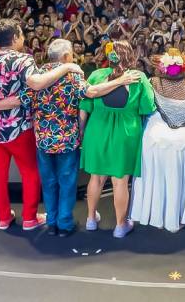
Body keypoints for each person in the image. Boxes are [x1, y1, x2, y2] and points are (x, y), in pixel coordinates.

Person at [0, 38, 140, 237]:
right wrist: (120, 81)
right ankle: (64, 223)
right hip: (67, 140)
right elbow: (91, 92)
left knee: (48, 183)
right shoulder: (72, 75)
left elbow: (19, 100)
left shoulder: (37, 75)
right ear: (66, 56)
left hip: (43, 140)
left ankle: (52, 222)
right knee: (67, 183)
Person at [0, 19, 83, 231]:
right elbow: (36, 84)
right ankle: (30, 219)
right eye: (22, 34)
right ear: (14, 37)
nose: (23, 38)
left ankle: (4, 218)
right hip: (18, 128)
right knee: (30, 172)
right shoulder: (22, 59)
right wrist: (68, 66)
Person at [80, 40, 156, 239]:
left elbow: (84, 107)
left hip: (97, 131)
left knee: (96, 177)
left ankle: (90, 219)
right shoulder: (138, 77)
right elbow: (148, 107)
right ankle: (121, 226)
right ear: (130, 55)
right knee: (120, 181)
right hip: (126, 134)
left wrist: (81, 132)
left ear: (109, 56)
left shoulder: (96, 75)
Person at [130, 48, 185, 233]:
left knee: (156, 174)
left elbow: (143, 106)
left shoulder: (152, 83)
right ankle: (181, 215)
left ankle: (154, 212)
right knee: (181, 178)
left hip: (157, 139)